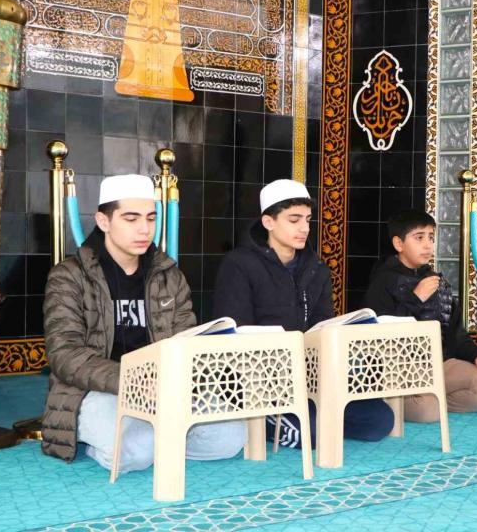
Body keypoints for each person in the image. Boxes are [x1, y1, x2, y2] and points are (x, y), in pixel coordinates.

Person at [42, 174, 247, 471]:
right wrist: (133, 380)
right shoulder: (69, 276)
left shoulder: (168, 275)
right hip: (95, 390)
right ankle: (122, 442)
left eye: (151, 218)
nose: (144, 229)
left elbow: (185, 339)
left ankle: (154, 436)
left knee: (230, 437)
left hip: (160, 387)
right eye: (131, 218)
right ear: (103, 221)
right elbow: (65, 355)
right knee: (138, 449)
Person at [213, 179, 394, 448]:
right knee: (313, 433)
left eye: (308, 220)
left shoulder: (316, 269)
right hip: (259, 380)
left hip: (308, 376)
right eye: (294, 220)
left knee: (379, 420)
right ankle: (273, 420)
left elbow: (322, 326)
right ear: (268, 222)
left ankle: (309, 420)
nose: (304, 228)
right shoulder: (239, 265)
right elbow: (233, 334)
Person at [364, 209, 477, 422]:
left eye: (431, 237)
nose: (428, 245)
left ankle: (431, 400)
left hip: (438, 365)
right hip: (399, 369)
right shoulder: (383, 281)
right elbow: (377, 338)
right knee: (426, 411)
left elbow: (455, 333)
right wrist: (416, 299)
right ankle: (410, 400)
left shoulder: (436, 281)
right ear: (399, 244)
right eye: (419, 238)